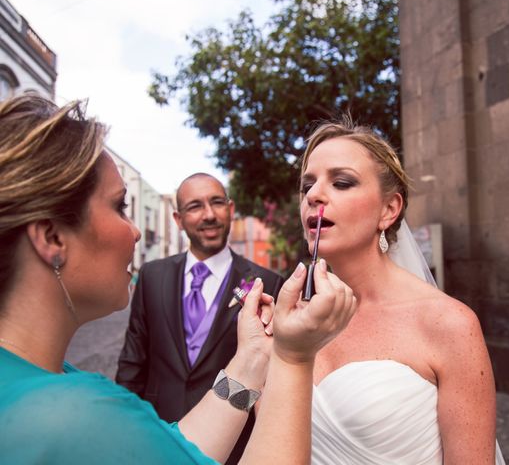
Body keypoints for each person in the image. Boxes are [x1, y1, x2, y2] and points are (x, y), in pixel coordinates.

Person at [0, 94, 357, 465]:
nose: (135, 231)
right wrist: (294, 357)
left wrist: (252, 357)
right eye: (120, 206)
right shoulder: (78, 415)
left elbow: (178, 448)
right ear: (53, 238)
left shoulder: (35, 377)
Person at [299, 119, 506, 464]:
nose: (313, 195)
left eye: (341, 182)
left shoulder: (449, 323)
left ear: (389, 210)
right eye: (307, 185)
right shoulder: (292, 322)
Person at [116, 172, 284, 463]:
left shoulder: (266, 283)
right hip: (157, 436)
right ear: (178, 219)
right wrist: (122, 429)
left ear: (230, 210)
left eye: (217, 202)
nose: (208, 214)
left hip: (234, 444)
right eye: (195, 206)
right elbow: (133, 361)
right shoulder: (153, 276)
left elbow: (273, 381)